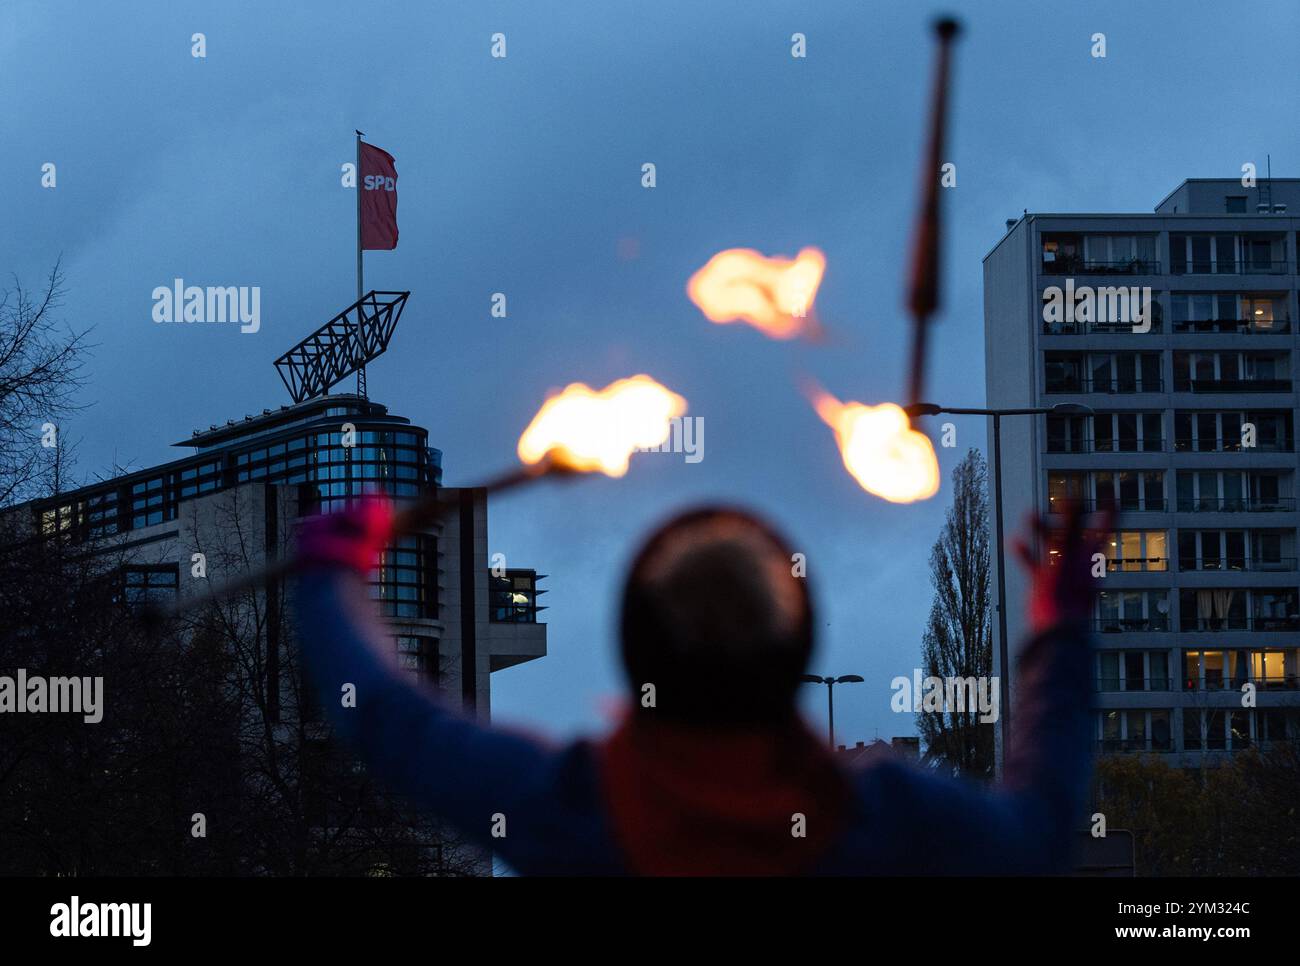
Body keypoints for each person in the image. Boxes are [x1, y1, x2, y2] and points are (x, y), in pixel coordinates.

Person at [293, 499, 1102, 875]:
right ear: (795, 651)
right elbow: (1039, 828)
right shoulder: (890, 819)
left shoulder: (575, 812)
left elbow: (389, 722)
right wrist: (1060, 629)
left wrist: (332, 580)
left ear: (637, 649)